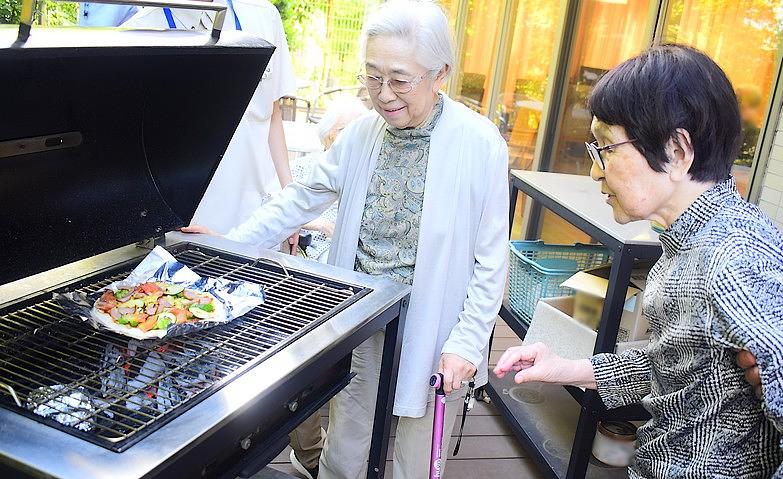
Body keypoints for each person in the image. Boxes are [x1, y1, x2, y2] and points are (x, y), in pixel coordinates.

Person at [184, 1, 509, 477]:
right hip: (363, 315)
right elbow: (299, 199)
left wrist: (467, 341)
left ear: (440, 73)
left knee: (418, 457)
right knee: (344, 446)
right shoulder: (361, 134)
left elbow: (491, 260)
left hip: (438, 324)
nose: (383, 94)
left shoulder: (480, 145)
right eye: (372, 77)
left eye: (399, 80)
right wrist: (229, 244)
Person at [494, 44, 783, 478]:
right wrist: (567, 368)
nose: (595, 171)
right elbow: (674, 365)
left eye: (607, 148)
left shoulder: (734, 258)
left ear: (676, 151)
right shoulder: (688, 240)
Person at [123, 0, 299, 252]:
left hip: (260, 222)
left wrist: (290, 205)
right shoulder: (139, 31)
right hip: (190, 230)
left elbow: (272, 114)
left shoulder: (263, 15)